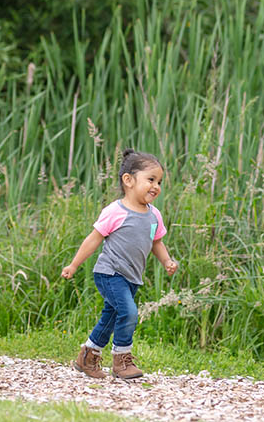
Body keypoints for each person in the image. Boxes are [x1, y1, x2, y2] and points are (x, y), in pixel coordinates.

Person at [61, 148, 179, 379]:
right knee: (129, 312)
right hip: (109, 273)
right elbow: (93, 239)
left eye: (159, 181)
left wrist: (167, 261)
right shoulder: (115, 211)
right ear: (128, 180)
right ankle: (122, 361)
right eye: (151, 180)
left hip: (132, 276)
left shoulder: (154, 215)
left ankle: (87, 356)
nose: (156, 186)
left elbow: (157, 242)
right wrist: (74, 265)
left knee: (112, 317)